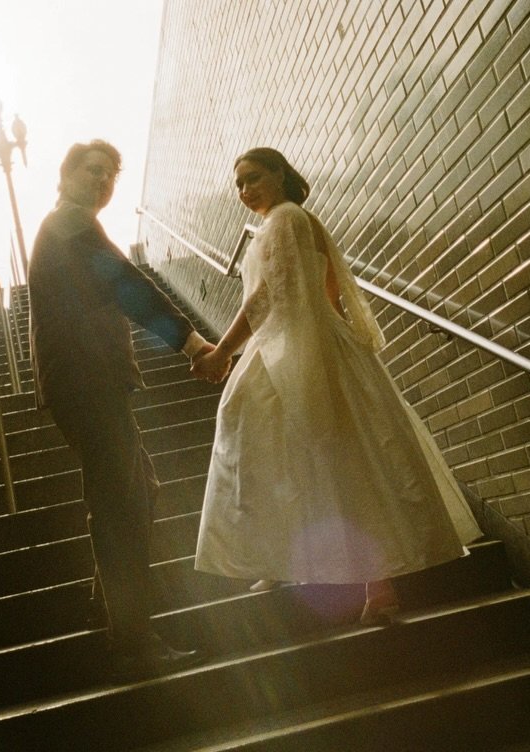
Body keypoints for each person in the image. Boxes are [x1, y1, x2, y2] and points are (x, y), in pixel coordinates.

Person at [191, 147, 483, 625]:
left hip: (294, 347)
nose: (245, 190)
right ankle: (374, 587)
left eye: (255, 178)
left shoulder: (284, 220)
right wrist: (339, 342)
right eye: (239, 184)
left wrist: (222, 351)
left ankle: (292, 564)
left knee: (276, 453)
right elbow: (327, 292)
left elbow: (267, 297)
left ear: (282, 176)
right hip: (319, 342)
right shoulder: (302, 220)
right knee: (350, 462)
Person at [28, 139, 210, 679]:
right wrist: (192, 343)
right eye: (92, 170)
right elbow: (127, 286)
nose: (103, 180)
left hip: (88, 380)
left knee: (138, 491)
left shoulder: (72, 227)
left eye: (110, 175)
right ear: (64, 176)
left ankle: (107, 610)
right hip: (86, 380)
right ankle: (131, 638)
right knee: (121, 503)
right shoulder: (67, 224)